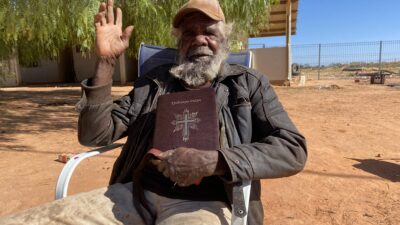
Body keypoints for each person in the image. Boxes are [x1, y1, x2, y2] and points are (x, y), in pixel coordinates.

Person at [0, 0, 306, 225]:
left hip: (203, 206)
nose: (199, 39)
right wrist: (105, 64)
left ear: (224, 38)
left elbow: (292, 149)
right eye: (189, 33)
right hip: (132, 196)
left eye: (208, 32)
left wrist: (216, 161)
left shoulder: (246, 85)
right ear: (179, 43)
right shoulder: (154, 83)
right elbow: (95, 134)